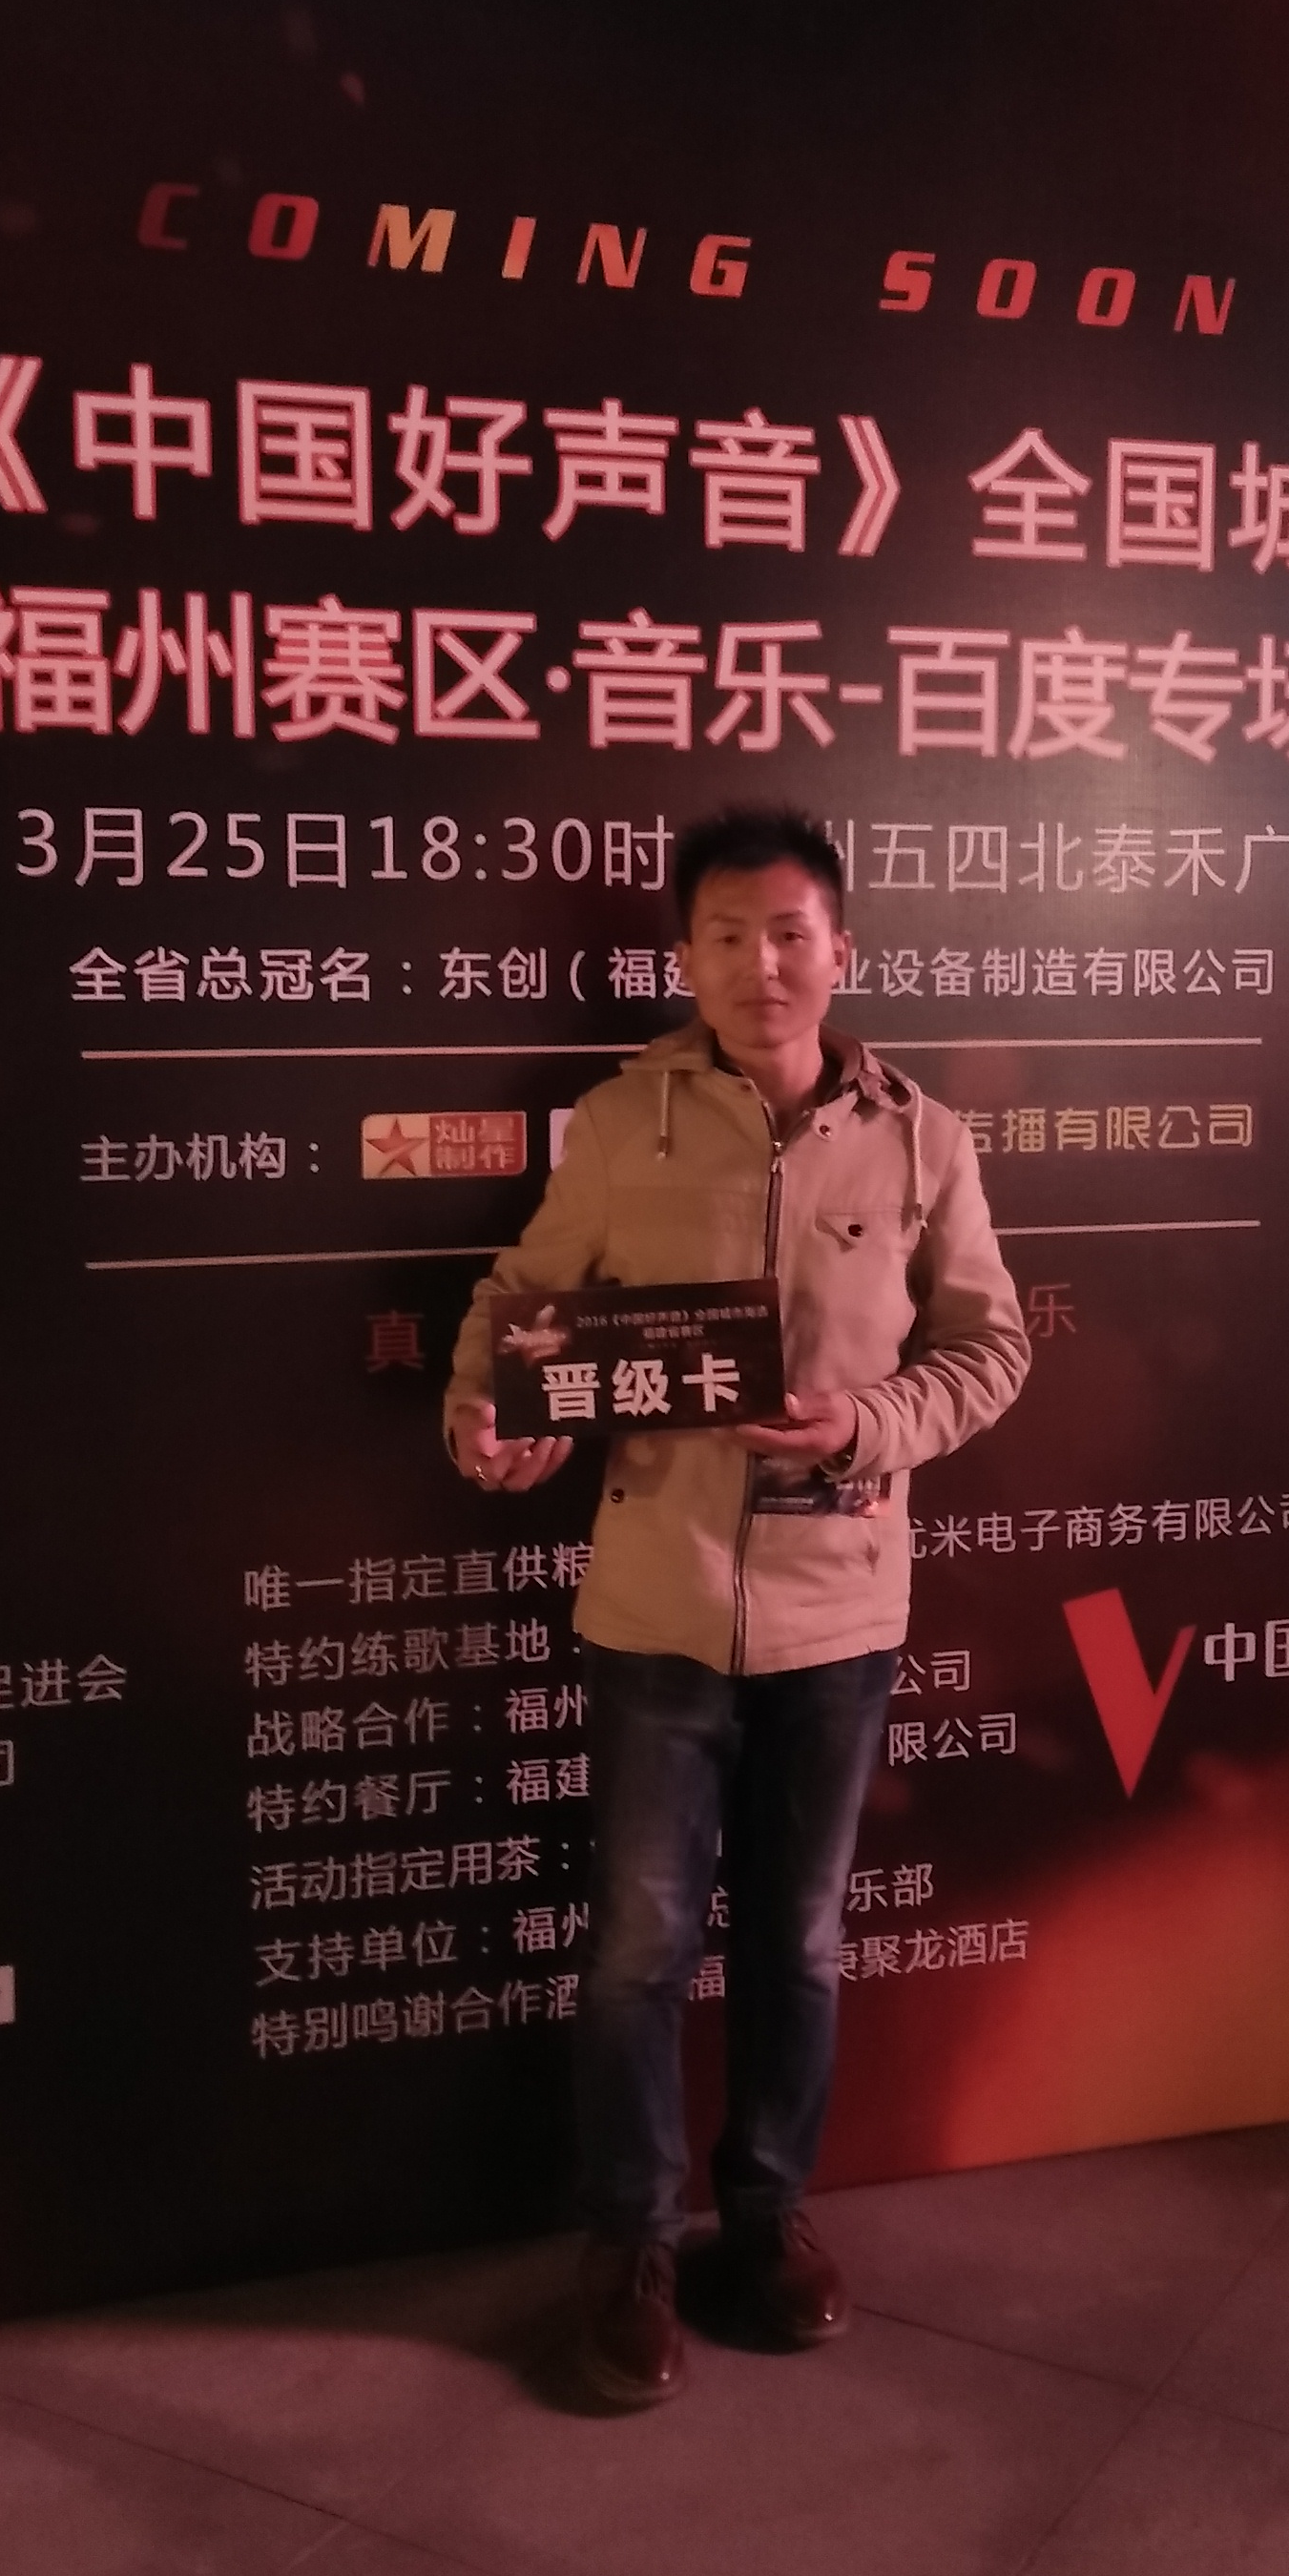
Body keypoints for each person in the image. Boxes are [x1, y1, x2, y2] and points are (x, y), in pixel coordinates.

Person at [445, 805, 1029, 2407]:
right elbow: (519, 1307)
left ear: (841, 952)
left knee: (798, 1942)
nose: (757, 965)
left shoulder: (923, 1139)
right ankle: (629, 2245)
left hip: (841, 1610)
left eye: (787, 934)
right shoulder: (618, 1124)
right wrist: (491, 1420)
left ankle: (766, 2219)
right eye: (722, 936)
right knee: (637, 1948)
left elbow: (990, 1349)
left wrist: (867, 1424)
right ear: (684, 957)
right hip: (657, 1605)